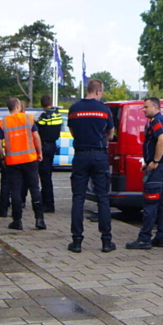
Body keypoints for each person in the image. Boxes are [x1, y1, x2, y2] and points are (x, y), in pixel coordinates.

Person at [67, 78, 115, 253]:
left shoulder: (74, 108)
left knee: (78, 198)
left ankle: (77, 241)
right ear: (98, 91)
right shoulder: (104, 109)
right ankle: (106, 241)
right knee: (102, 198)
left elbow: (72, 132)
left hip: (81, 155)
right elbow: (110, 134)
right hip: (99, 155)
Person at [127, 98, 163, 249]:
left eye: (146, 107)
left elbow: (162, 140)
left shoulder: (156, 121)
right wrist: (149, 162)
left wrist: (155, 161)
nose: (143, 109)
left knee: (150, 204)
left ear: (155, 107)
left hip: (159, 169)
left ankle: (144, 239)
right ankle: (162, 237)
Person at [0, 98, 46, 231]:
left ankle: (17, 221)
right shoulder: (28, 119)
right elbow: (36, 137)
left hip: (12, 161)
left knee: (15, 190)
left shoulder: (2, 123)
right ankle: (39, 219)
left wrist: (2, 157)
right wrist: (39, 152)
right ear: (18, 106)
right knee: (34, 188)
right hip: (30, 158)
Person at [36, 94, 63, 213]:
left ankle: (48, 204)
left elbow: (37, 129)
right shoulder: (58, 114)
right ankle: (46, 201)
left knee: (44, 176)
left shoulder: (44, 116)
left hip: (44, 146)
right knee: (48, 175)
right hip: (52, 145)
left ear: (42, 105)